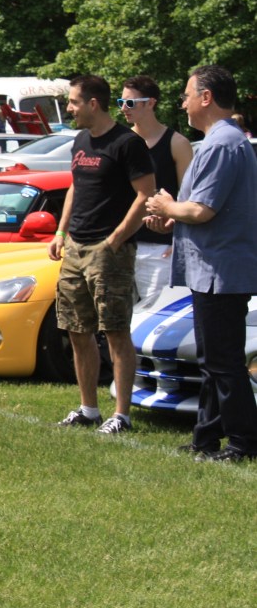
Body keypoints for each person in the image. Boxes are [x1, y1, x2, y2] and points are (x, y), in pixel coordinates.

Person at [145, 65, 257, 462]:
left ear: (206, 98)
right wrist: (171, 216)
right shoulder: (218, 141)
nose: (183, 102)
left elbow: (204, 210)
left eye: (187, 94)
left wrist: (167, 205)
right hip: (212, 271)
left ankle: (244, 443)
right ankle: (205, 439)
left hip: (221, 273)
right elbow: (204, 208)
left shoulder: (222, 144)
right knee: (213, 361)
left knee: (224, 363)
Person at [48, 74, 155, 435]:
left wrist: (116, 238)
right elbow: (76, 187)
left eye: (74, 102)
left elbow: (146, 195)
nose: (69, 109)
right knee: (77, 330)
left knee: (115, 331)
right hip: (76, 246)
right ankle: (88, 408)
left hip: (109, 250)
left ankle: (121, 415)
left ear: (93, 103)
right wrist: (61, 232)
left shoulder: (128, 143)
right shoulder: (80, 140)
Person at [120, 75, 192, 305]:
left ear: (151, 103)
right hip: (122, 244)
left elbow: (190, 197)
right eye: (119, 102)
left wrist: (180, 243)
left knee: (156, 319)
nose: (123, 108)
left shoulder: (177, 143)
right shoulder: (121, 141)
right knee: (118, 322)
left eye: (130, 102)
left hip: (160, 248)